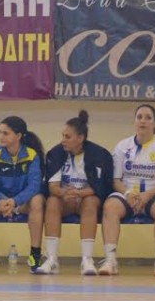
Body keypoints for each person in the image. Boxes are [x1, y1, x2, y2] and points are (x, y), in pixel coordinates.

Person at [99, 104, 155, 276]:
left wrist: (148, 195)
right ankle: (110, 260)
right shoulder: (122, 146)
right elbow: (116, 180)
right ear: (134, 121)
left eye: (148, 118)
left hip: (154, 194)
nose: (143, 121)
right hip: (128, 194)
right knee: (110, 206)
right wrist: (128, 194)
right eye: (139, 117)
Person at [36, 110, 113, 276]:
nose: (63, 140)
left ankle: (87, 259)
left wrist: (79, 193)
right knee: (52, 201)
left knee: (91, 202)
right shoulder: (55, 154)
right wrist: (64, 192)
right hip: (65, 199)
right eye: (62, 136)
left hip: (86, 198)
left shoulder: (99, 155)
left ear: (80, 138)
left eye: (67, 137)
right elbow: (52, 187)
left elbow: (99, 187)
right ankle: (51, 259)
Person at [0, 116, 45, 274]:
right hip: (2, 203)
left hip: (23, 203)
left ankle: (35, 255)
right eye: (0, 132)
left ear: (18, 136)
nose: (1, 137)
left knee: (37, 200)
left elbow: (34, 185)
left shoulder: (32, 155)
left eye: (5, 133)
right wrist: (0, 200)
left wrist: (16, 201)